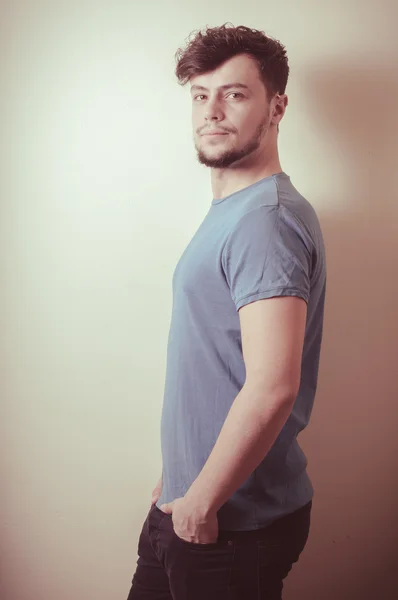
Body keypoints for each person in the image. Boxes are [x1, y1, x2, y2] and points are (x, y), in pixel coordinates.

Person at [126, 23, 326, 600]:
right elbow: (213, 363)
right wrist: (177, 484)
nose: (211, 111)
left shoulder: (266, 219)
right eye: (199, 94)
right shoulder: (237, 210)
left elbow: (271, 386)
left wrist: (200, 502)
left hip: (229, 526)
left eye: (234, 94)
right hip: (192, 505)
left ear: (277, 106)